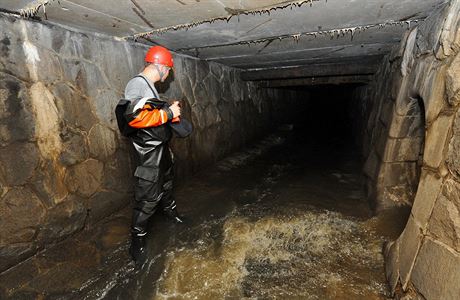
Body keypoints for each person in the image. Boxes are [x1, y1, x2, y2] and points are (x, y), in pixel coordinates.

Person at [121, 45, 185, 262]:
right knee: (147, 199)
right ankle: (137, 241)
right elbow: (133, 118)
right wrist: (167, 113)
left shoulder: (148, 86)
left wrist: (169, 114)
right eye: (167, 70)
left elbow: (149, 114)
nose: (167, 75)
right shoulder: (136, 84)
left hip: (160, 149)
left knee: (166, 185)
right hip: (148, 154)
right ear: (160, 67)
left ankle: (172, 214)